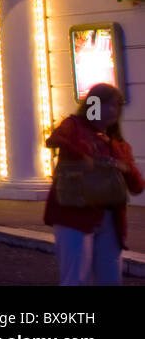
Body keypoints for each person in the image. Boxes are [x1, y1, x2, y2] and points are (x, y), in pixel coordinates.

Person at [43, 83, 144, 285]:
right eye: (109, 104)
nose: (114, 110)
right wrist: (87, 157)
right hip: (74, 213)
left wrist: (124, 167)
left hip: (109, 219)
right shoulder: (74, 126)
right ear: (94, 104)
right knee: (76, 278)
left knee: (111, 278)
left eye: (117, 105)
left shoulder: (118, 144)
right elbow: (54, 140)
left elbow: (137, 186)